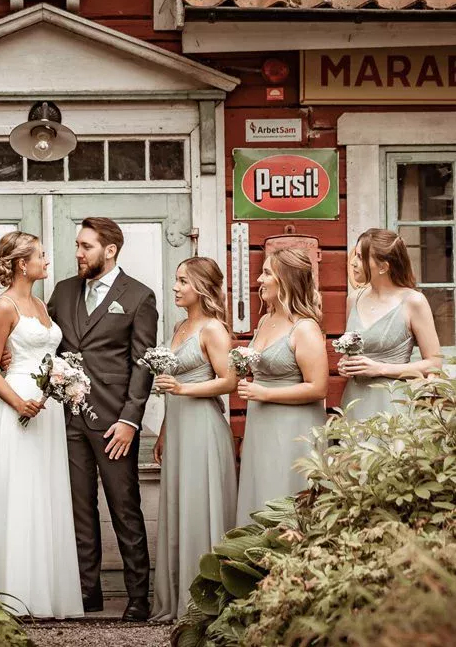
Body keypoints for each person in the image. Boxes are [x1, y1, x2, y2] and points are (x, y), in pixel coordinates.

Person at [0, 232, 83, 619]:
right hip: (18, 408)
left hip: (48, 410)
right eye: (41, 255)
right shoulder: (3, 306)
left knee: (44, 494)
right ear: (21, 264)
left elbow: (47, 353)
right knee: (18, 493)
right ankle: (10, 590)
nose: (47, 260)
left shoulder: (41, 305)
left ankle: (44, 592)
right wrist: (17, 403)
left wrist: (64, 381)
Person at [47, 217, 157, 622]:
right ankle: (86, 591)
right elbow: (47, 344)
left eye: (86, 246)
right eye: (78, 245)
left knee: (125, 508)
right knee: (79, 506)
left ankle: (138, 596)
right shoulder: (63, 291)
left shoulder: (139, 296)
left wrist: (130, 420)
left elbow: (143, 363)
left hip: (114, 422)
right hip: (68, 418)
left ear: (110, 250)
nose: (78, 253)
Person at [151, 257, 237, 621]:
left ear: (201, 287)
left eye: (183, 281)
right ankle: (179, 595)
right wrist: (164, 431)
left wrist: (183, 388)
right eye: (176, 279)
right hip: (178, 428)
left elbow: (229, 381)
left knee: (200, 505)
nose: (176, 287)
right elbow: (173, 387)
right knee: (179, 504)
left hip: (203, 430)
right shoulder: (179, 327)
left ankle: (204, 600)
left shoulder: (213, 329)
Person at [235, 247, 328, 526]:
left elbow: (318, 387)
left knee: (285, 497)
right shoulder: (265, 320)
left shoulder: (305, 328)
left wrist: (265, 393)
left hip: (293, 430)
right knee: (261, 495)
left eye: (266, 273)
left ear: (285, 280)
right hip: (261, 426)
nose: (259, 280)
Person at [339, 228, 441, 420]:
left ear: (383, 267)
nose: (353, 263)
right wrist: (346, 363)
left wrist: (380, 368)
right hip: (354, 401)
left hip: (392, 404)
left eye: (360, 257)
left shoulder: (413, 301)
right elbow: (355, 350)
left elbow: (434, 364)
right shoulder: (353, 299)